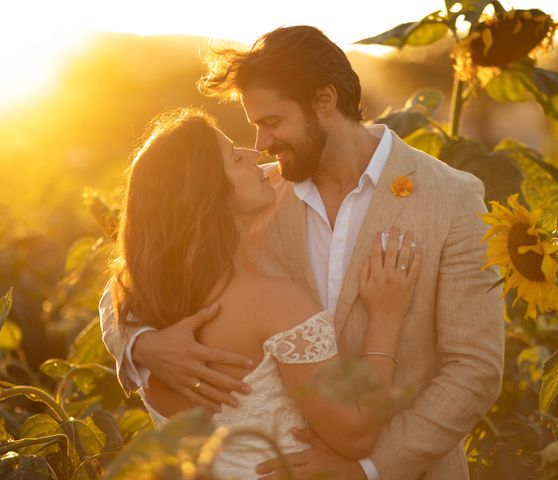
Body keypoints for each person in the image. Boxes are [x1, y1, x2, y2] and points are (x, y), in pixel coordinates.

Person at [100, 26, 504, 480]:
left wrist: (367, 469)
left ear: (324, 101)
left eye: (271, 123)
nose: (261, 145)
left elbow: (474, 369)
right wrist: (143, 344)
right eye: (254, 127)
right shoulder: (251, 197)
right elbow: (141, 268)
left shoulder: (451, 198)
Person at [105, 106, 422, 478]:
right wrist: (385, 316)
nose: (255, 154)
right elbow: (356, 435)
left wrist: (139, 344)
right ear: (209, 194)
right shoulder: (273, 305)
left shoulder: (138, 301)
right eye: (235, 158)